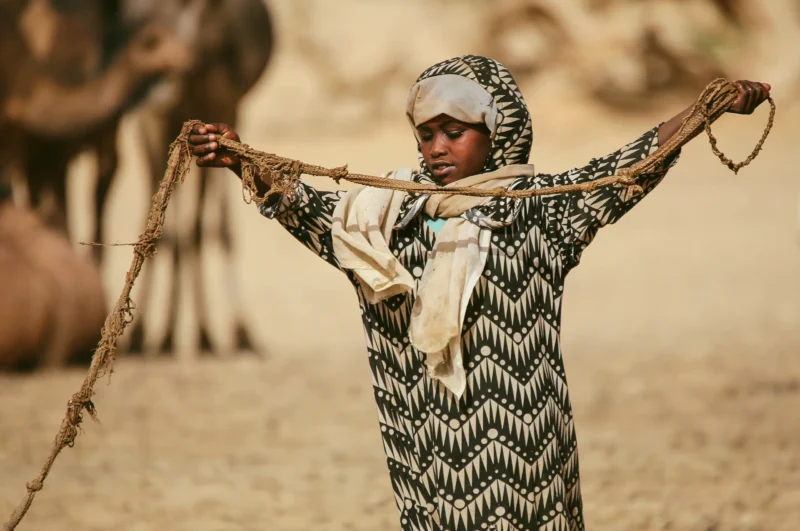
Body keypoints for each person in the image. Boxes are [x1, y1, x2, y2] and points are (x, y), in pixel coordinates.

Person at [188, 55, 770, 531]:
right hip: (429, 454)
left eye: (454, 132)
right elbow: (312, 213)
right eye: (426, 134)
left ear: (499, 133)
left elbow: (630, 166)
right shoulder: (388, 216)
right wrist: (243, 161)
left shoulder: (544, 210)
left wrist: (705, 107)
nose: (436, 148)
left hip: (528, 454)